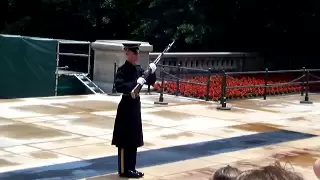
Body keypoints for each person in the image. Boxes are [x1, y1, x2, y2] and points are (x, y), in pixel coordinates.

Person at [111, 43, 157, 178]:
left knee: (134, 137)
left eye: (137, 53)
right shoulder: (122, 70)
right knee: (125, 138)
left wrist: (152, 71)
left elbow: (149, 81)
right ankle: (124, 170)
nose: (136, 56)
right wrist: (134, 83)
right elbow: (119, 86)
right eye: (134, 53)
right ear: (127, 53)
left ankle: (132, 167)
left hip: (135, 105)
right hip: (126, 106)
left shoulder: (138, 69)